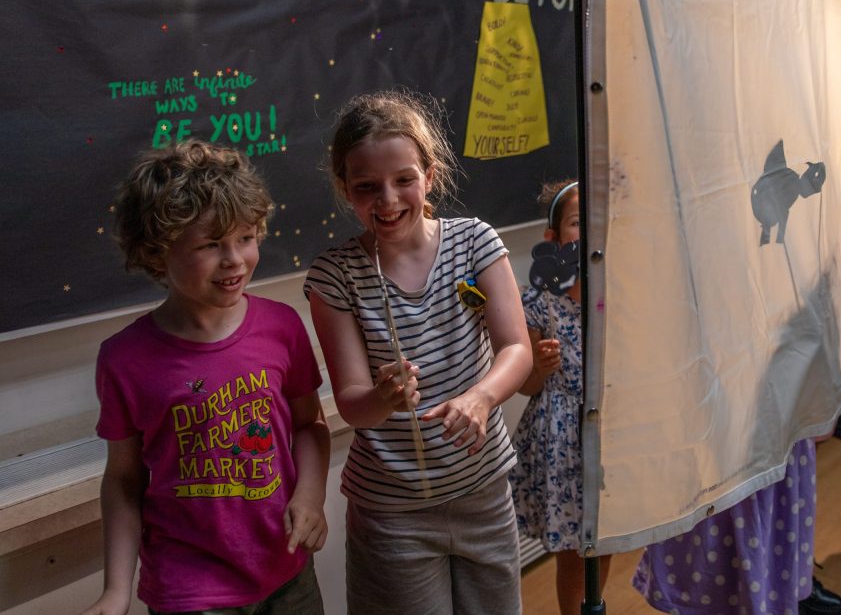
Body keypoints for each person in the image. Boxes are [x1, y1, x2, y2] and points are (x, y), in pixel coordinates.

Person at [304, 90, 533, 614]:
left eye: (403, 179)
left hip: (483, 494)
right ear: (345, 189)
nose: (387, 199)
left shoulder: (475, 242)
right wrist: (383, 397)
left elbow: (516, 349)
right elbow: (353, 405)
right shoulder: (335, 276)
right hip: (392, 514)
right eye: (367, 187)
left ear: (429, 175)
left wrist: (479, 398)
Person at [83, 140, 330, 615]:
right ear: (158, 253)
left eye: (245, 237)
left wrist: (311, 495)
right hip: (188, 591)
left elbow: (310, 424)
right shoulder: (123, 359)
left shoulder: (282, 326)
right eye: (210, 244)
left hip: (288, 572)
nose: (234, 259)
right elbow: (122, 480)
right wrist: (115, 590)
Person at [507, 179, 610, 615]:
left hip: (610, 434)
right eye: (575, 223)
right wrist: (539, 366)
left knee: (608, 536)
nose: (588, 232)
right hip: (561, 438)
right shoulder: (537, 303)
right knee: (573, 548)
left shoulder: (622, 295)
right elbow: (526, 386)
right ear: (553, 238)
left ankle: (597, 602)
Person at [632, 439, 819, 615]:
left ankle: (769, 594)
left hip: (772, 433)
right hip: (711, 443)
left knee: (765, 527)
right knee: (709, 550)